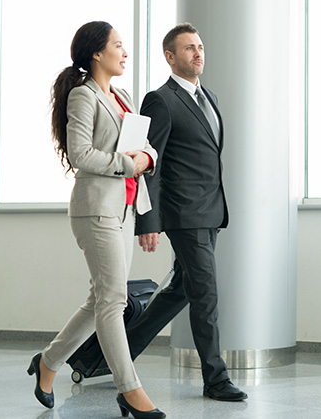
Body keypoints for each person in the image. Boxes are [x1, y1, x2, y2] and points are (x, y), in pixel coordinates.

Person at [28, 21, 166, 419]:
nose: (124, 52)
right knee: (113, 301)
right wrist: (130, 163)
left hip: (124, 209)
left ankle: (48, 363)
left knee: (101, 298)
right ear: (96, 53)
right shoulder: (82, 96)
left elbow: (144, 145)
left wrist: (149, 158)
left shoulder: (121, 96)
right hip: (96, 209)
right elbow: (81, 156)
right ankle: (130, 389)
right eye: (118, 46)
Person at [128, 22, 247, 402]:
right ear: (170, 57)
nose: (198, 53)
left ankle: (109, 354)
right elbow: (152, 164)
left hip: (211, 211)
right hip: (184, 214)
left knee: (180, 290)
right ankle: (215, 378)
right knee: (206, 294)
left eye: (200, 46)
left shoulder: (206, 96)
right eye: (189, 48)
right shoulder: (160, 100)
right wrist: (150, 221)